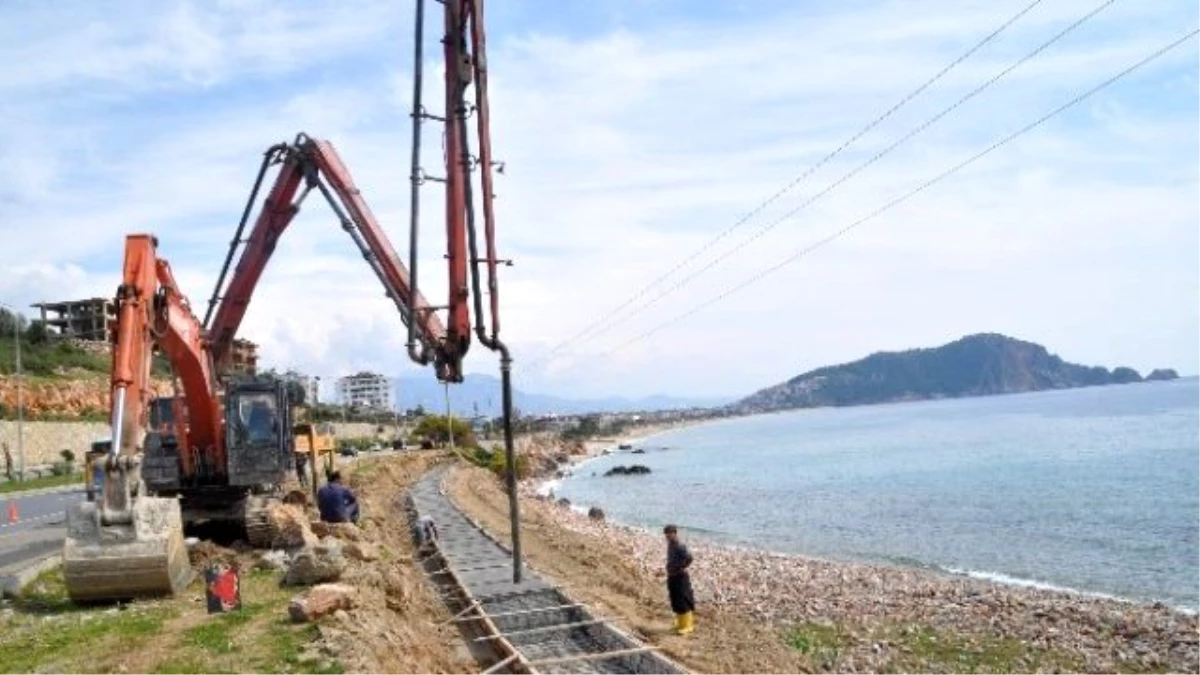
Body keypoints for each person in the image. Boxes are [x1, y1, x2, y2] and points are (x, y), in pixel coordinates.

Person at [663, 524, 695, 635]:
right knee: (675, 600)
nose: (668, 536)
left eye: (670, 533)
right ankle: (680, 623)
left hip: (680, 576)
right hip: (672, 575)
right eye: (666, 534)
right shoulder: (670, 544)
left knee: (683, 600)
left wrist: (681, 567)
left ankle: (688, 625)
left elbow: (690, 558)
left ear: (675, 533)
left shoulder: (679, 545)